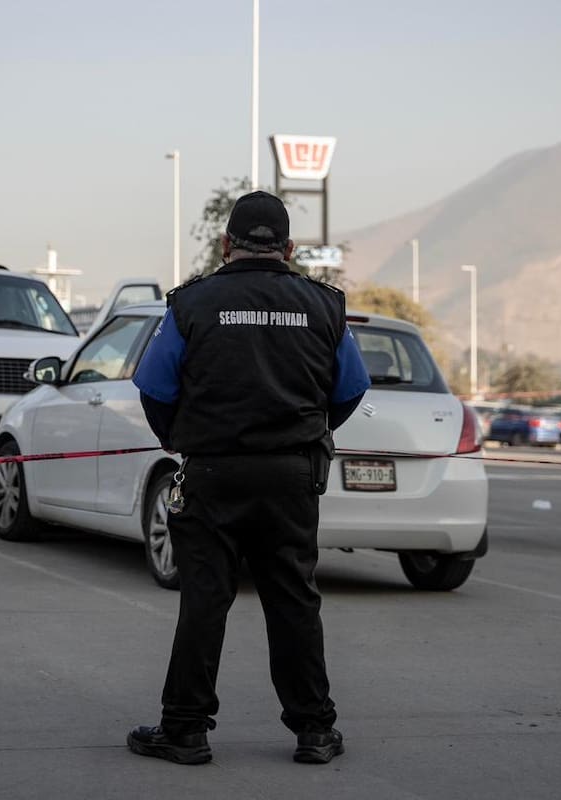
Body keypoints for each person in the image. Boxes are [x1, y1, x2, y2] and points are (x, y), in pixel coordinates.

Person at [127, 190, 371, 765]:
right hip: (292, 478)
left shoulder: (191, 305)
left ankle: (185, 729)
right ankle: (314, 730)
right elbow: (351, 388)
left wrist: (180, 439)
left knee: (205, 601)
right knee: (294, 602)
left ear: (224, 242)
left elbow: (154, 388)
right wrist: (306, 432)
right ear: (289, 248)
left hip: (212, 474)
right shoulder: (324, 306)